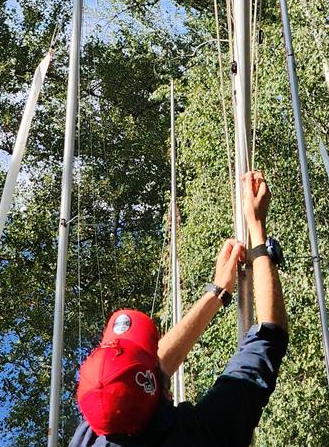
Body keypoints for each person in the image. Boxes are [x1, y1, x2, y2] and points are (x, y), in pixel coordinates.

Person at [69, 170, 288, 446]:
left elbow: (147, 376)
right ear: (162, 395)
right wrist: (257, 231)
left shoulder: (95, 433)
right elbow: (270, 336)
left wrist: (216, 293)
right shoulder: (200, 438)